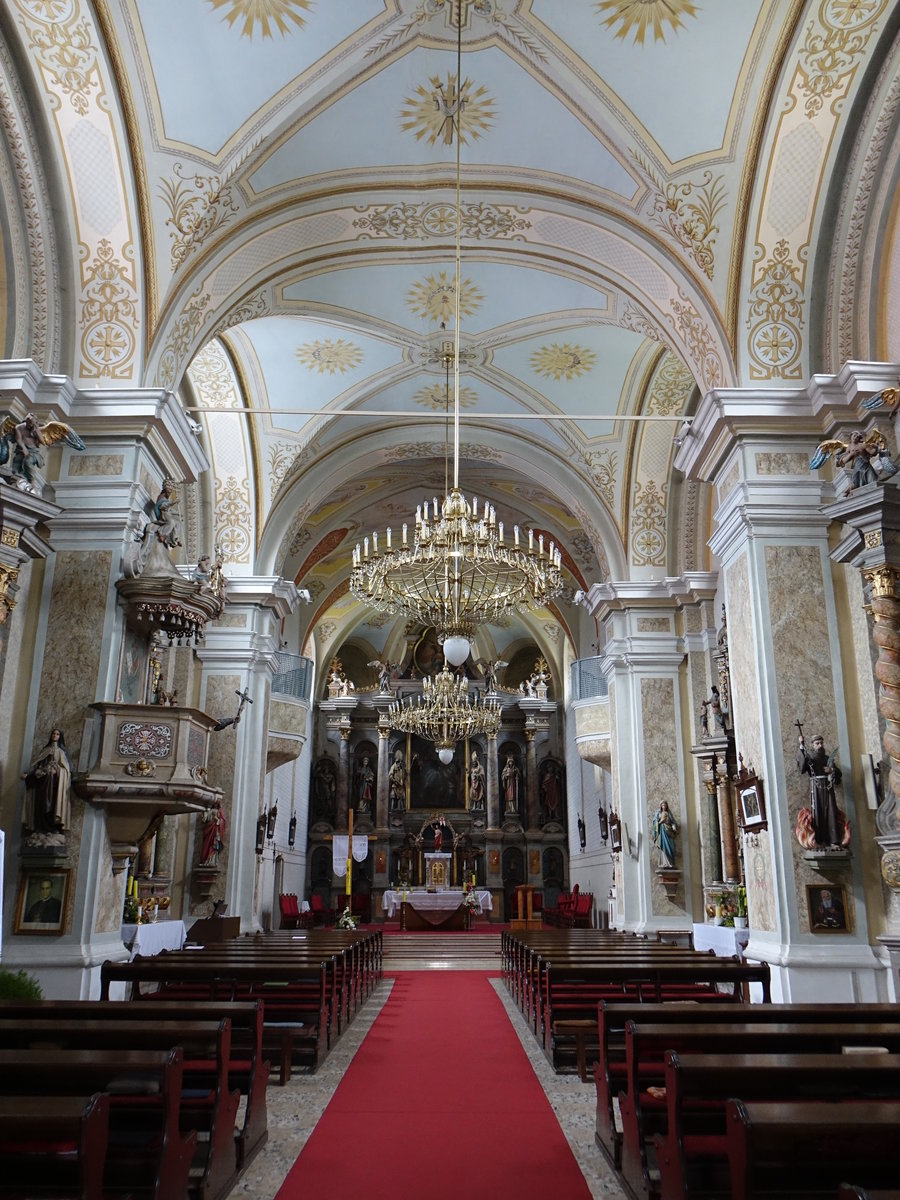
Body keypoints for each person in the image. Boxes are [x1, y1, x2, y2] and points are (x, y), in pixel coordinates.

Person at [797, 733, 843, 848]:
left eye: (821, 743)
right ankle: (819, 840)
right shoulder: (810, 757)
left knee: (831, 811)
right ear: (812, 745)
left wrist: (831, 770)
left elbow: (839, 774)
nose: (820, 745)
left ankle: (833, 840)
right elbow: (802, 768)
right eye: (817, 743)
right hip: (816, 787)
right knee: (817, 812)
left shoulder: (828, 758)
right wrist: (801, 746)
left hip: (828, 788)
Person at [22, 728, 72, 835]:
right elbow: (36, 764)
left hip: (54, 786)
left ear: (60, 737)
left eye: (57, 734)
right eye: (53, 733)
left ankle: (51, 828)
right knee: (40, 805)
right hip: (42, 784)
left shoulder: (61, 752)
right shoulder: (45, 751)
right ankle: (40, 828)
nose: (55, 735)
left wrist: (57, 769)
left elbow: (66, 771)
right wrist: (34, 772)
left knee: (51, 807)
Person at [651, 800, 678, 868]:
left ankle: (671, 863)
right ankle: (664, 863)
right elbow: (654, 823)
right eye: (663, 805)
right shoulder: (658, 813)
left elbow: (673, 822)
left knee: (670, 847)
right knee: (663, 847)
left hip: (669, 832)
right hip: (662, 832)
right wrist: (659, 822)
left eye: (665, 805)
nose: (664, 806)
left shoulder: (668, 813)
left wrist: (674, 826)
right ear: (661, 806)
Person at [200, 802, 226, 866]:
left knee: (213, 845)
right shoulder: (209, 811)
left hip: (215, 830)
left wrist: (216, 819)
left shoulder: (219, 811)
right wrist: (204, 812)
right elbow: (204, 820)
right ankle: (206, 861)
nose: (214, 804)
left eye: (216, 803)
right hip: (208, 831)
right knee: (207, 845)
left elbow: (223, 821)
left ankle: (212, 861)